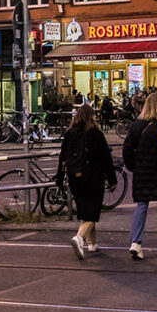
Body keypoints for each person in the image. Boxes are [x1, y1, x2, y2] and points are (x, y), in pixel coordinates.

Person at [57, 105, 117, 260]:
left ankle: (92, 243)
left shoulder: (70, 134)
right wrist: (112, 179)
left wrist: (59, 178)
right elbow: (106, 158)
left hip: (74, 178)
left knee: (85, 209)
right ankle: (79, 237)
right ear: (92, 116)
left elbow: (62, 157)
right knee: (93, 211)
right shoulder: (96, 134)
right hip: (93, 177)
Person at [123, 93, 157, 260]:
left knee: (142, 205)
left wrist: (134, 166)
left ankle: (136, 243)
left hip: (142, 171)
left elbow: (127, 149)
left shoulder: (137, 125)